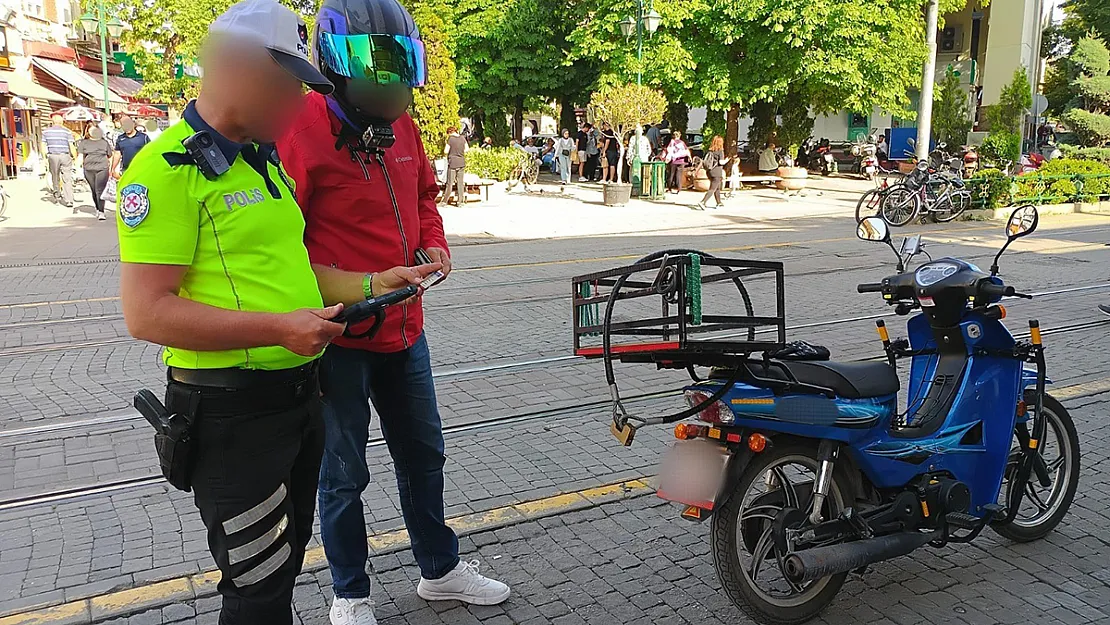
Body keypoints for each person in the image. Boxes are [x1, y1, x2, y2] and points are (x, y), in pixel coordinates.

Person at [115, 2, 440, 624]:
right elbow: (147, 314)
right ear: (235, 71)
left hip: (293, 402)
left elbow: (294, 272)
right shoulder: (164, 172)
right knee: (256, 589)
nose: (300, 102)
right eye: (288, 85)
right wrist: (280, 329)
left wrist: (370, 280)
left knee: (282, 572)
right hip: (233, 415)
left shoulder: (259, 163)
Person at [276, 0, 511, 622]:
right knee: (343, 472)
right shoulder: (300, 128)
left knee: (423, 453)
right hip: (341, 337)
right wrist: (360, 284)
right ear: (335, 67)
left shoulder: (401, 129)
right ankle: (350, 593)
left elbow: (425, 193)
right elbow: (278, 245)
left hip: (406, 331)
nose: (392, 87)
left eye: (400, 68)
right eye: (374, 71)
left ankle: (439, 571)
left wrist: (433, 239)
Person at [77, 125, 113, 220]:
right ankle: (97, 208)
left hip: (102, 168)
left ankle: (101, 211)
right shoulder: (84, 143)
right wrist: (77, 167)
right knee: (93, 190)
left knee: (99, 190)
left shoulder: (104, 143)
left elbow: (110, 155)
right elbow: (81, 156)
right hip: (88, 169)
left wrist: (113, 168)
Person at [42, 114, 75, 208]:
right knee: (67, 178)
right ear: (62, 122)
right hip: (65, 155)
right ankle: (69, 200)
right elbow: (71, 146)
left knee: (55, 176)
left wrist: (44, 157)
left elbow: (43, 145)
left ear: (52, 122)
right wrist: (74, 156)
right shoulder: (67, 132)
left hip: (53, 156)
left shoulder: (46, 132)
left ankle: (57, 196)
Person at [110, 114, 151, 179]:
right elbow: (117, 154)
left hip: (142, 169)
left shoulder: (143, 137)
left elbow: (150, 152)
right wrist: (113, 168)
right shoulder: (120, 139)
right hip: (126, 170)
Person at [697, 136, 728, 210]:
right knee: (712, 188)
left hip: (709, 171)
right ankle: (703, 202)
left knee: (717, 188)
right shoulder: (720, 151)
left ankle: (719, 202)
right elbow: (721, 162)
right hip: (717, 172)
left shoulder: (710, 151)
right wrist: (727, 160)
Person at [441, 125, 467, 207]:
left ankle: (444, 201)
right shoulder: (463, 138)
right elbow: (467, 149)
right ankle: (460, 202)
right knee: (460, 183)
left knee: (450, 183)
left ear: (449, 132)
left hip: (453, 163)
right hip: (461, 162)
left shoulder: (450, 139)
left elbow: (446, 151)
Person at [663, 130, 690, 194]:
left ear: (673, 136)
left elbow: (668, 150)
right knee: (679, 175)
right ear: (679, 136)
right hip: (681, 160)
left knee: (671, 174)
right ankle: (679, 189)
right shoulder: (682, 143)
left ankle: (669, 188)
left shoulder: (672, 142)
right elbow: (686, 150)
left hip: (673, 160)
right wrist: (689, 157)